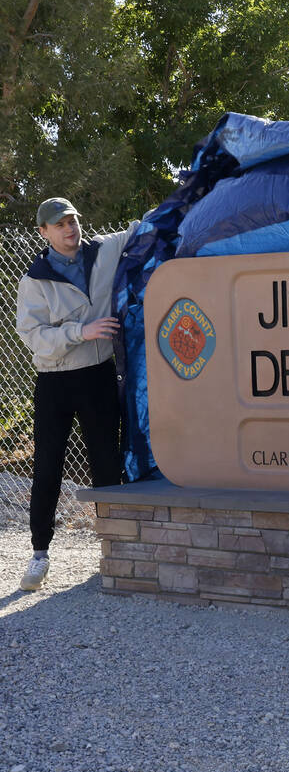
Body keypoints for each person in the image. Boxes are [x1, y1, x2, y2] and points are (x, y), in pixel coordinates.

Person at [15, 198, 138, 591]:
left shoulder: (104, 250)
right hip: (55, 382)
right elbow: (34, 338)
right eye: (60, 224)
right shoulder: (35, 279)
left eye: (72, 221)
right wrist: (79, 332)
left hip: (99, 377)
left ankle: (112, 548)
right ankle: (39, 555)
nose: (70, 228)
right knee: (47, 467)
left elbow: (141, 227)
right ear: (44, 232)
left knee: (107, 463)